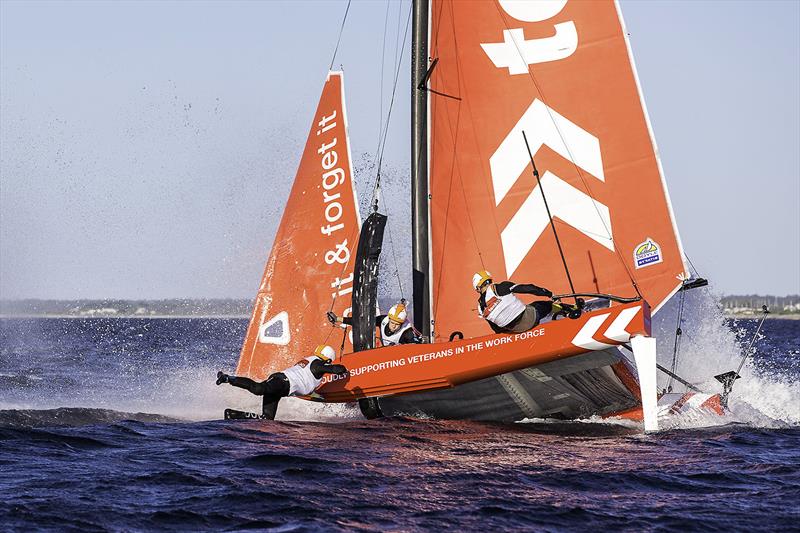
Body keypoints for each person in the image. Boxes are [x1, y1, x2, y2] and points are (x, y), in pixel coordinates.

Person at [216, 344, 347, 420]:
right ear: (329, 360)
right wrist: (346, 369)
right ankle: (228, 378)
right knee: (259, 389)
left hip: (282, 388)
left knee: (267, 419)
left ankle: (232, 414)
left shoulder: (312, 361)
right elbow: (336, 369)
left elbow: (306, 385)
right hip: (282, 382)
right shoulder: (318, 365)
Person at [473, 270, 573, 334]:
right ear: (489, 280)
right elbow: (529, 289)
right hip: (529, 319)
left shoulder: (480, 307)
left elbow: (496, 329)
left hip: (515, 330)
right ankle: (571, 310)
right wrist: (549, 294)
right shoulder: (499, 287)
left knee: (529, 308)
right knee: (544, 305)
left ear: (478, 288)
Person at [327, 301, 423, 346]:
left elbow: (416, 349)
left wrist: (398, 349)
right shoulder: (383, 320)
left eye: (397, 324)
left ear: (402, 324)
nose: (393, 326)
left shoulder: (407, 332)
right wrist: (338, 319)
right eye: (392, 322)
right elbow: (362, 322)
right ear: (389, 319)